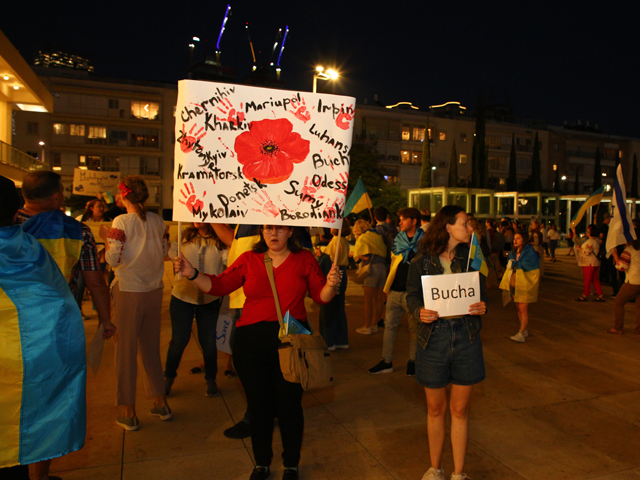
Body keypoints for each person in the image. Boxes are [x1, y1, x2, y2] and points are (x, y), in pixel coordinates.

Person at [174, 224, 340, 480]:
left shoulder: (304, 259)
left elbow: (321, 296)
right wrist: (192, 273)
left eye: (280, 229)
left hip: (291, 344)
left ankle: (291, 464)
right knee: (259, 407)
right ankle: (262, 463)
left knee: (289, 408)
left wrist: (331, 284)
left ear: (290, 232)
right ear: (262, 232)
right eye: (267, 229)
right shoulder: (249, 259)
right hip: (250, 344)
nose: (273, 234)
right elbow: (219, 285)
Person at [0, 176, 111, 480]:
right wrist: (105, 318)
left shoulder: (20, 230)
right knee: (44, 407)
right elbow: (94, 282)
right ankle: (39, 474)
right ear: (57, 197)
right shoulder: (74, 232)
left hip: (15, 339)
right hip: (51, 336)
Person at [406, 205, 487, 480]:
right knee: (435, 408)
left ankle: (459, 472)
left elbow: (481, 295)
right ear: (448, 227)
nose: (470, 227)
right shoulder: (422, 261)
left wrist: (481, 306)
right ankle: (435, 468)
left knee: (460, 409)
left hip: (466, 336)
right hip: (434, 338)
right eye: (465, 222)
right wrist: (419, 312)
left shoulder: (472, 258)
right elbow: (412, 296)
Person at [99, 175, 170, 431]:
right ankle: (160, 403)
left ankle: (128, 411)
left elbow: (113, 259)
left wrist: (107, 239)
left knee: (125, 351)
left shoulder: (121, 221)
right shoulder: (158, 220)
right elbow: (164, 253)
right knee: (150, 348)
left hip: (129, 290)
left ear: (124, 195)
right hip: (154, 290)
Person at [164, 222, 233, 397]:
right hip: (182, 296)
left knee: (209, 342)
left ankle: (211, 379)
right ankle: (168, 377)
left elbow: (229, 260)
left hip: (209, 298)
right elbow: (170, 253)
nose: (198, 218)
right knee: (179, 340)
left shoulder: (220, 240)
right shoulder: (184, 235)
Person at [368, 207, 424, 376]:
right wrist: (387, 288)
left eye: (403, 219)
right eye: (399, 219)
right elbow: (393, 263)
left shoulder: (424, 241)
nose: (399, 222)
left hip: (413, 294)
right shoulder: (398, 239)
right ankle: (386, 361)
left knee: (414, 330)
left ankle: (413, 362)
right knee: (389, 327)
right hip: (394, 291)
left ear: (414, 221)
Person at [499, 232, 540, 343]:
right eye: (514, 239)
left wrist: (515, 263)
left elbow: (531, 266)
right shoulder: (513, 252)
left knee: (523, 309)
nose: (515, 241)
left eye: (518, 238)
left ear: (524, 239)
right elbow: (510, 264)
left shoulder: (530, 252)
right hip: (514, 283)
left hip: (524, 285)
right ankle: (524, 329)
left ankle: (521, 333)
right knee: (518, 308)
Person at [318, 224, 351, 350]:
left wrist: (320, 254)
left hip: (333, 273)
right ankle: (341, 339)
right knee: (339, 308)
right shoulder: (344, 241)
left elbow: (328, 258)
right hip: (342, 273)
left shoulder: (335, 242)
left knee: (329, 308)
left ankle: (329, 341)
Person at [352, 219, 388, 335]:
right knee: (378, 299)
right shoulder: (377, 235)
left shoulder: (363, 238)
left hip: (372, 269)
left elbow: (360, 255)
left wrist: (360, 257)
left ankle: (367, 326)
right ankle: (374, 324)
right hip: (382, 268)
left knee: (368, 300)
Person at [608, 226, 640, 334]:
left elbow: (622, 267)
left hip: (633, 281)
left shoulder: (629, 251)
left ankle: (618, 327)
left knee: (618, 302)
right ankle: (638, 329)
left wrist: (615, 256)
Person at [574, 224, 605, 302]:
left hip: (588, 263)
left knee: (587, 279)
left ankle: (585, 295)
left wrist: (579, 249)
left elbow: (587, 252)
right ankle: (600, 295)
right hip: (595, 262)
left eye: (589, 231)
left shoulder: (590, 241)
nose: (587, 233)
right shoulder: (596, 240)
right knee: (595, 279)